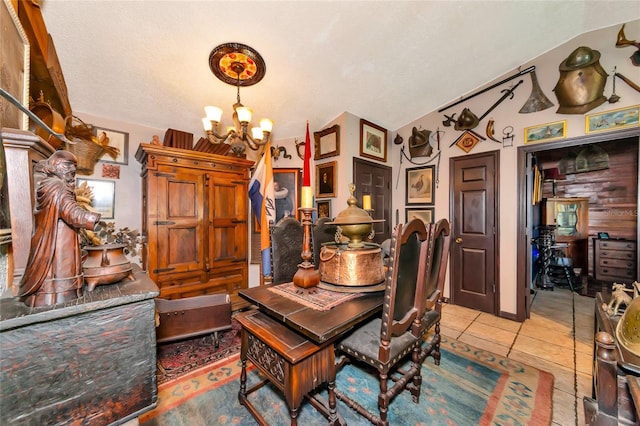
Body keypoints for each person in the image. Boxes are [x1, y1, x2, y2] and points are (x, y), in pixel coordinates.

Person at [17, 150, 101, 307]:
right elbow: (71, 212)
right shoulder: (57, 186)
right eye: (68, 165)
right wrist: (92, 217)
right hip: (58, 239)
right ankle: (56, 295)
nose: (72, 170)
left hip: (61, 235)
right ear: (55, 166)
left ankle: (60, 294)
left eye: (74, 166)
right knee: (59, 267)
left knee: (61, 267)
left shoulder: (51, 184)